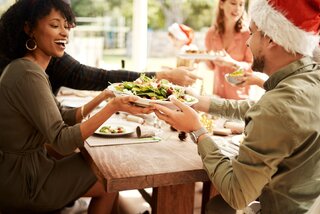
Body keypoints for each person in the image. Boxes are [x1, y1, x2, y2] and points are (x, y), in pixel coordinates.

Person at [153, 0, 320, 213]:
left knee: (218, 207)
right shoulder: (308, 81)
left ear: (270, 39)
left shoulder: (277, 107)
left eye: (252, 33)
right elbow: (260, 108)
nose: (248, 42)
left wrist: (197, 130)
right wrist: (200, 102)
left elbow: (237, 194)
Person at [0, 0, 153, 213]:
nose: (64, 33)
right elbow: (62, 141)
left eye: (66, 25)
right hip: (24, 182)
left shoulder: (27, 68)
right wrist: (113, 107)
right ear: (29, 29)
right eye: (54, 25)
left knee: (106, 171)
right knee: (110, 174)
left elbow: (62, 116)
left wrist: (104, 97)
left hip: (25, 170)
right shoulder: (28, 74)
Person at [205, 0, 253, 99]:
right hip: (217, 96)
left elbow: (252, 67)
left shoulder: (248, 35)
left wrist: (232, 62)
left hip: (239, 100)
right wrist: (203, 57)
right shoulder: (211, 33)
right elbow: (211, 66)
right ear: (222, 4)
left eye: (241, 4)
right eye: (233, 3)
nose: (237, 8)